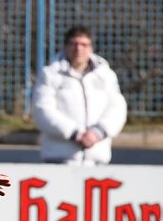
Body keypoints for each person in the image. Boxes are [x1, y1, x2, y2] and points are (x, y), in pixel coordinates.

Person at [32, 26, 127, 166]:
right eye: (74, 44)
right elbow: (43, 110)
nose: (79, 49)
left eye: (84, 44)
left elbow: (117, 107)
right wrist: (74, 133)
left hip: (97, 161)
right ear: (65, 46)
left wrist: (97, 133)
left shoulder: (105, 75)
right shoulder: (50, 74)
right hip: (58, 160)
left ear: (91, 47)